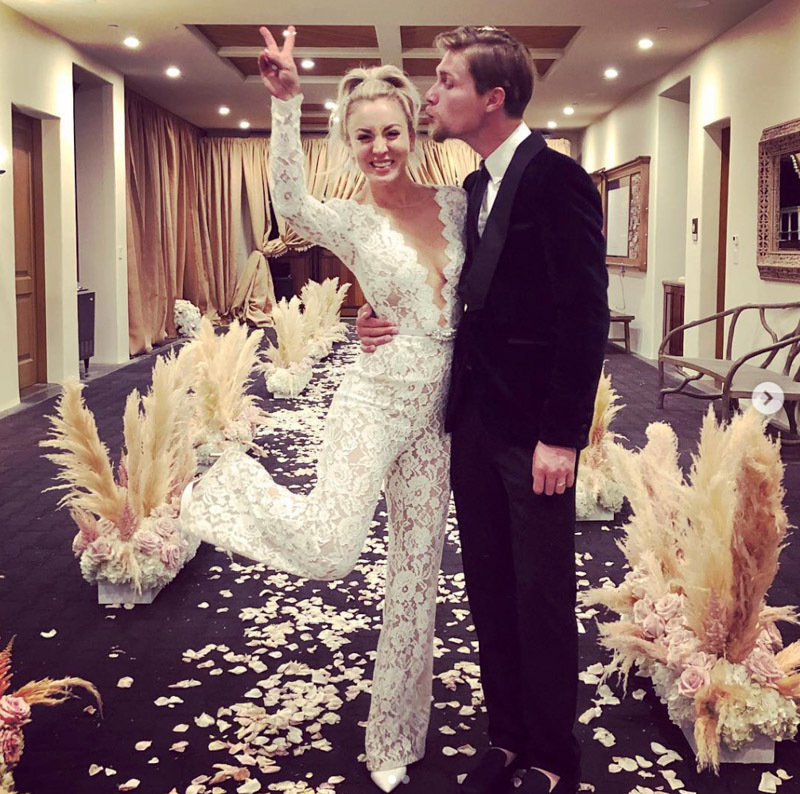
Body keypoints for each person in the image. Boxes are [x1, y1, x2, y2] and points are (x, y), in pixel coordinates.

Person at [180, 25, 468, 794]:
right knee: (331, 549)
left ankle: (394, 737)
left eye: (391, 132)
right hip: (371, 400)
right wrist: (285, 105)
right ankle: (225, 485)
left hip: (439, 416)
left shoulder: (458, 205)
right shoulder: (350, 218)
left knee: (416, 579)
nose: (380, 147)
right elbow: (289, 203)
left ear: (413, 132)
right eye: (363, 136)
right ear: (348, 142)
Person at [356, 26, 609, 794]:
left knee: (540, 595)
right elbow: (452, 295)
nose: (430, 94)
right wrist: (377, 317)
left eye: (446, 81)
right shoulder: (470, 189)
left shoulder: (557, 179)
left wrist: (561, 436)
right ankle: (507, 738)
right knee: (491, 589)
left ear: (493, 98)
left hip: (534, 438)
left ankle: (553, 758)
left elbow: (584, 317)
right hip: (470, 425)